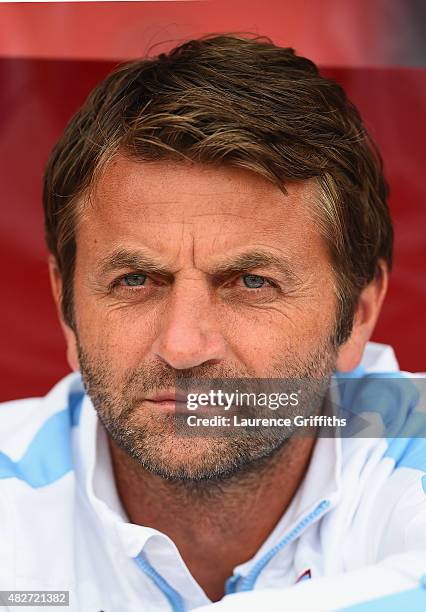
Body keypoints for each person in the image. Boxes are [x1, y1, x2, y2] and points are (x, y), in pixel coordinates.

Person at [0, 34, 425, 612]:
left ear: (358, 315)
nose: (183, 346)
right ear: (66, 309)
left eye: (251, 282)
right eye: (135, 280)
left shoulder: (407, 436)